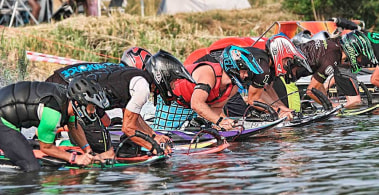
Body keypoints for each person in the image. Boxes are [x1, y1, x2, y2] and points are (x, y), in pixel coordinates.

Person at [46, 50, 195, 156]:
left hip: (75, 90)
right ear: (163, 76)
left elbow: (133, 118)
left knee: (107, 125)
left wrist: (153, 135)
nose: (175, 86)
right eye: (174, 81)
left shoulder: (137, 79)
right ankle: (62, 146)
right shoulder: (141, 87)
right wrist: (154, 148)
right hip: (66, 88)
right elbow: (128, 128)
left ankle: (61, 138)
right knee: (105, 151)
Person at [0, 76, 110, 172]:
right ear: (79, 103)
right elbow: (46, 147)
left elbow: (73, 127)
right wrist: (74, 158)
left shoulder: (69, 102)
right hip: (3, 119)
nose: (93, 111)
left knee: (31, 148)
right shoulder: (53, 113)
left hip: (9, 115)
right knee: (32, 167)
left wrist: (89, 152)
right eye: (93, 106)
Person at [152, 45, 264, 130]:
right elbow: (197, 104)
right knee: (165, 135)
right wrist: (219, 121)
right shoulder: (209, 74)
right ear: (232, 67)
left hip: (194, 108)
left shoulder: (232, 87)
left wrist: (226, 123)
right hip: (174, 102)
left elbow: (216, 108)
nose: (245, 75)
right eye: (243, 71)